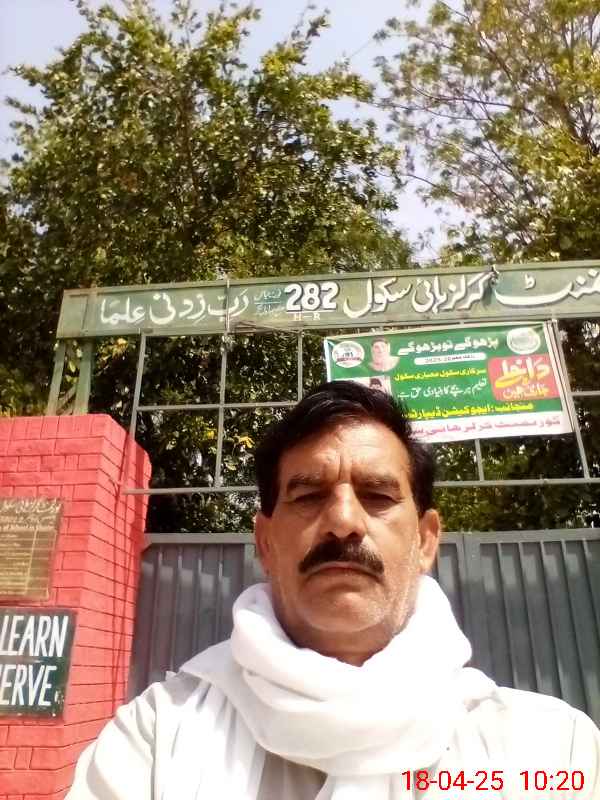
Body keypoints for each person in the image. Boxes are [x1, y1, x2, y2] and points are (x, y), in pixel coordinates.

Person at [67, 381, 600, 799]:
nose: (343, 522)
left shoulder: (552, 751)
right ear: (265, 542)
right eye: (307, 496)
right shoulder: (156, 737)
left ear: (425, 541)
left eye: (377, 495)